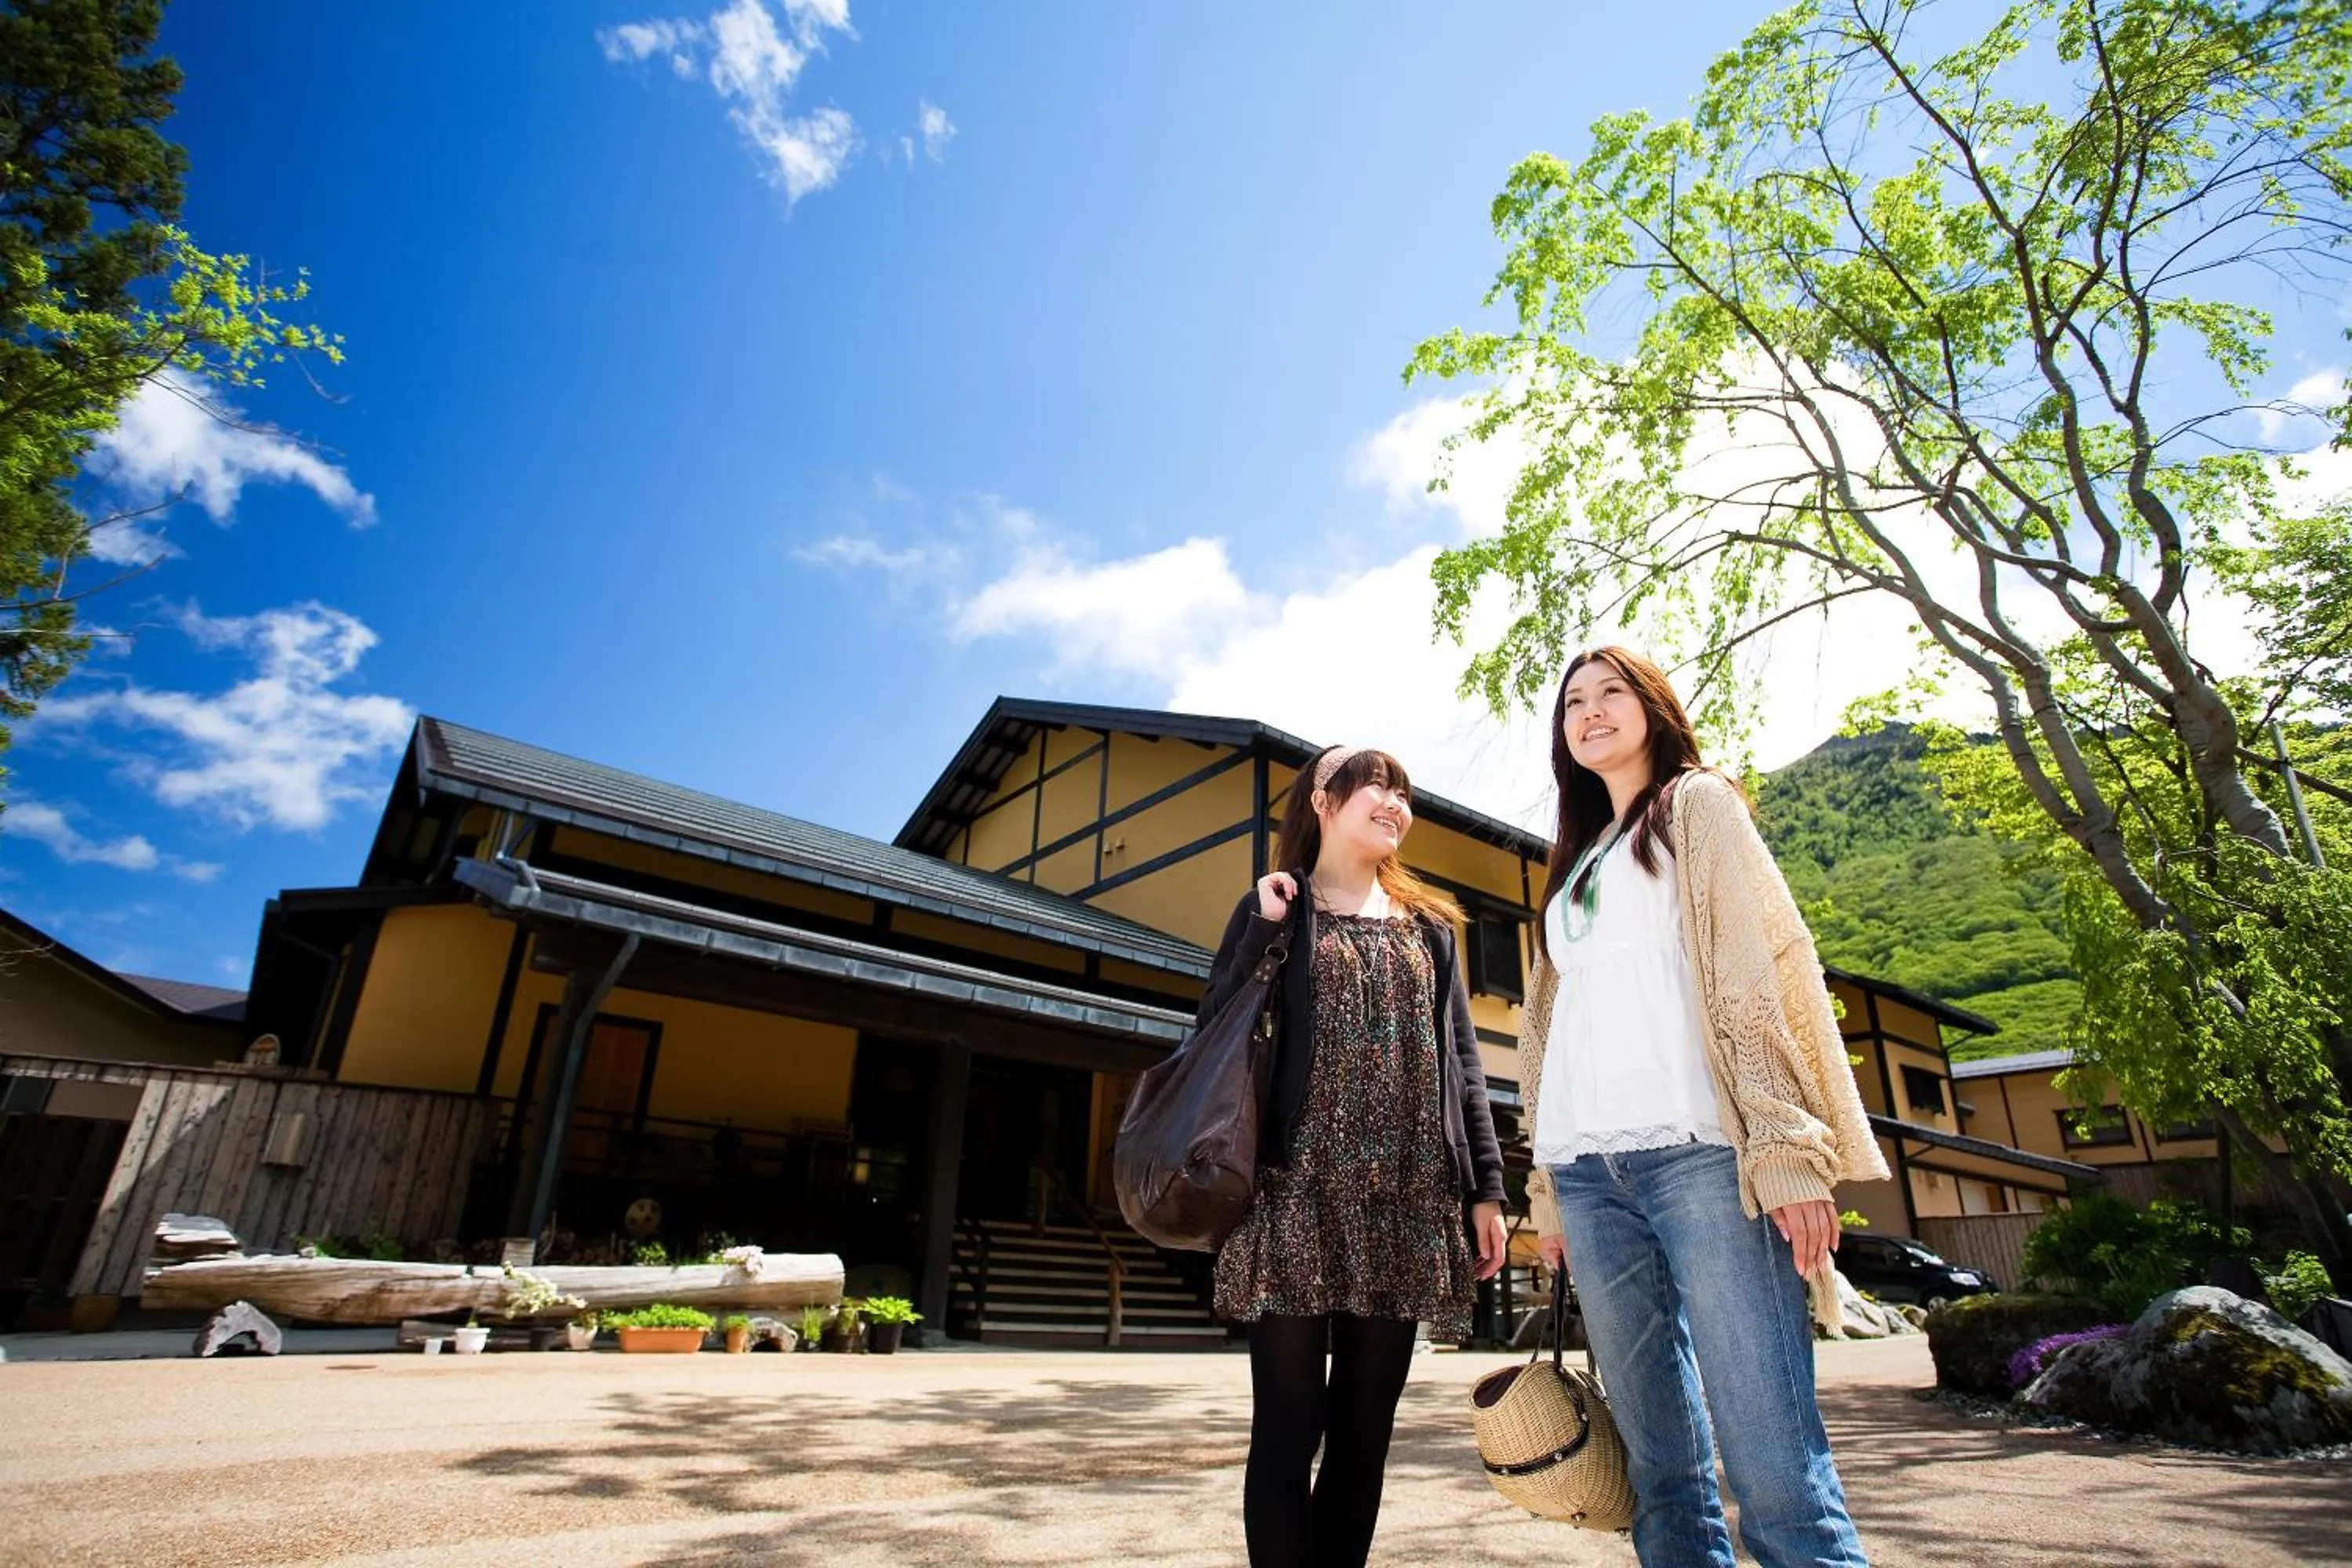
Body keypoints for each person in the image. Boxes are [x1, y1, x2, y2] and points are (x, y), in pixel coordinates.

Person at [1519, 647, 1888, 1568]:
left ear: (1653, 707)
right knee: (1663, 1477)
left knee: (1774, 1468)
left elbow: (1752, 978)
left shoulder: (1698, 805)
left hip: (1704, 1154)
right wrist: (1551, 1194)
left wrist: (1786, 1144)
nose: (1592, 711)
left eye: (1612, 693)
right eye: (1574, 701)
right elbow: (1545, 1038)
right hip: (1589, 1175)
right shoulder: (1574, 860)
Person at [1197, 743, 1510, 1568]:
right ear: (1325, 802)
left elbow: (1464, 1067)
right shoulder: (1275, 908)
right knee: (1289, 1422)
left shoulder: (1431, 931)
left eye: (1403, 790)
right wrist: (1262, 928)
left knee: (1365, 1428)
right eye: (1375, 783)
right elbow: (1216, 1031)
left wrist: (1485, 1187)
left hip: (1406, 1198)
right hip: (1295, 1190)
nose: (1394, 801)